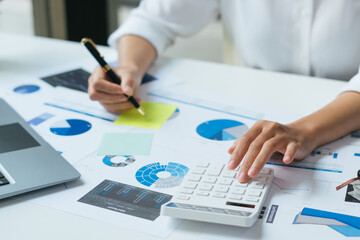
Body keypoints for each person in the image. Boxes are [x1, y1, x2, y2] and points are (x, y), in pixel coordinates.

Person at [88, 0, 360, 182]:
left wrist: (307, 131)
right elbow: (153, 20)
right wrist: (128, 68)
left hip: (345, 118)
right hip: (251, 103)